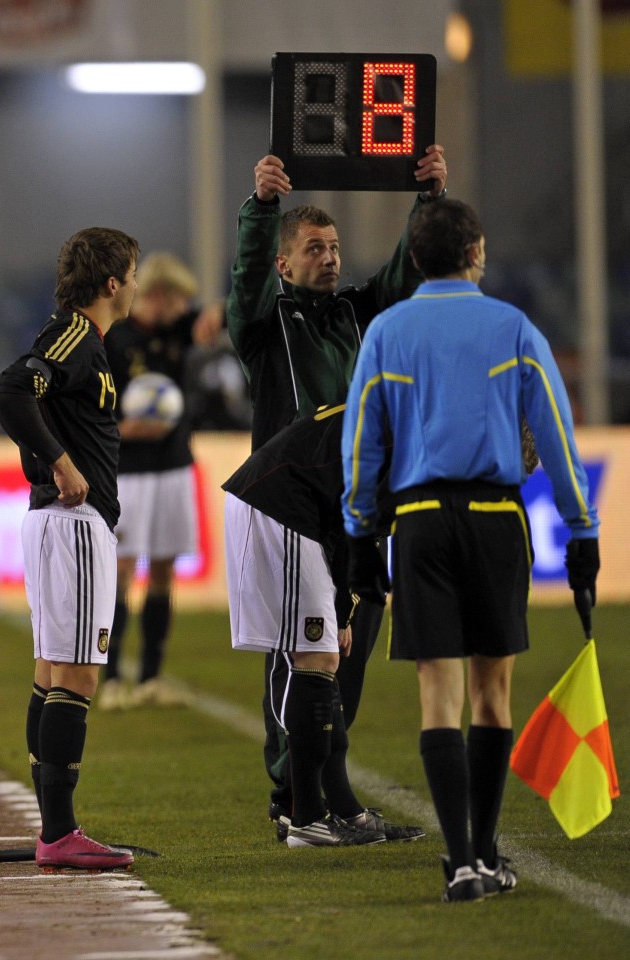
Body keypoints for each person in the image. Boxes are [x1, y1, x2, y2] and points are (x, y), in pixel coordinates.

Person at [341, 198, 600, 902]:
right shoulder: (513, 328)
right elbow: (553, 433)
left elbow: (360, 438)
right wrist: (581, 532)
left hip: (419, 520)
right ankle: (484, 852)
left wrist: (362, 530)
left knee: (437, 690)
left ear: (416, 257)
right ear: (475, 251)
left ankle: (458, 861)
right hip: (494, 517)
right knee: (491, 691)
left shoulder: (388, 332)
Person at [224, 146, 447, 834]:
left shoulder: (358, 313)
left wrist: (428, 200)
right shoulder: (266, 327)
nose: (329, 257)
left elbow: (407, 272)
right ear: (285, 265)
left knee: (344, 655)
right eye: (313, 248)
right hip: (292, 506)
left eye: (334, 246)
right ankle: (295, 792)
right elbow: (245, 280)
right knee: (301, 654)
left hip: (354, 506)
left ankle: (332, 794)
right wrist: (261, 210)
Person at [0, 226, 139, 872]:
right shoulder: (75, 336)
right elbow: (10, 391)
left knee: (53, 671)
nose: (134, 285)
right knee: (75, 673)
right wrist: (60, 462)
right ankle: (58, 832)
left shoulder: (86, 343)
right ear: (111, 283)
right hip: (71, 523)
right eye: (131, 274)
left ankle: (53, 824)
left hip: (61, 524)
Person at [223, 404, 423, 846]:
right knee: (315, 657)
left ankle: (339, 808)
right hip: (282, 506)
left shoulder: (397, 411)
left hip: (288, 505)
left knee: (322, 659)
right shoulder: (412, 431)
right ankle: (306, 817)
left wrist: (342, 607)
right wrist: (344, 606)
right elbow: (360, 519)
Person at [99, 253, 222, 710]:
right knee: (123, 572)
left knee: (164, 573)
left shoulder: (178, 328)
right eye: (177, 298)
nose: (183, 307)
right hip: (127, 472)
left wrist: (216, 314)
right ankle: (111, 679)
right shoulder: (115, 337)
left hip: (173, 465)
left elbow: (216, 315)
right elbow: (90, 403)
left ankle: (150, 676)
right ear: (158, 294)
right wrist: (118, 429)